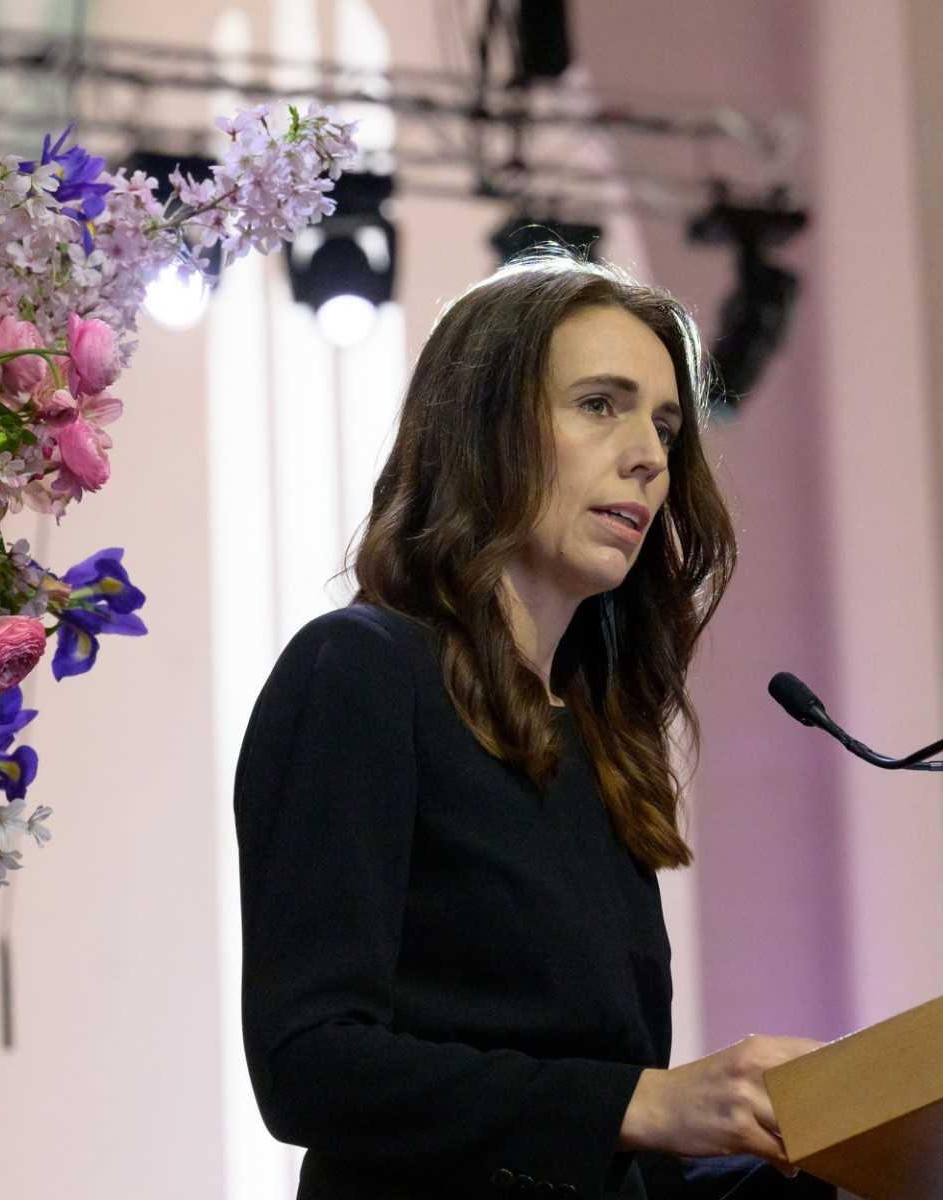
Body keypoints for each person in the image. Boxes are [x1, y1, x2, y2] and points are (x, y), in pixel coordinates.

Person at [233, 249, 837, 1199]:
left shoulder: (601, 738)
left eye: (666, 425)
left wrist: (850, 1149)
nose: (649, 454)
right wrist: (640, 1103)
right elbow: (307, 1064)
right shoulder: (357, 673)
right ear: (483, 431)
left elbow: (604, 1156)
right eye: (601, 404)